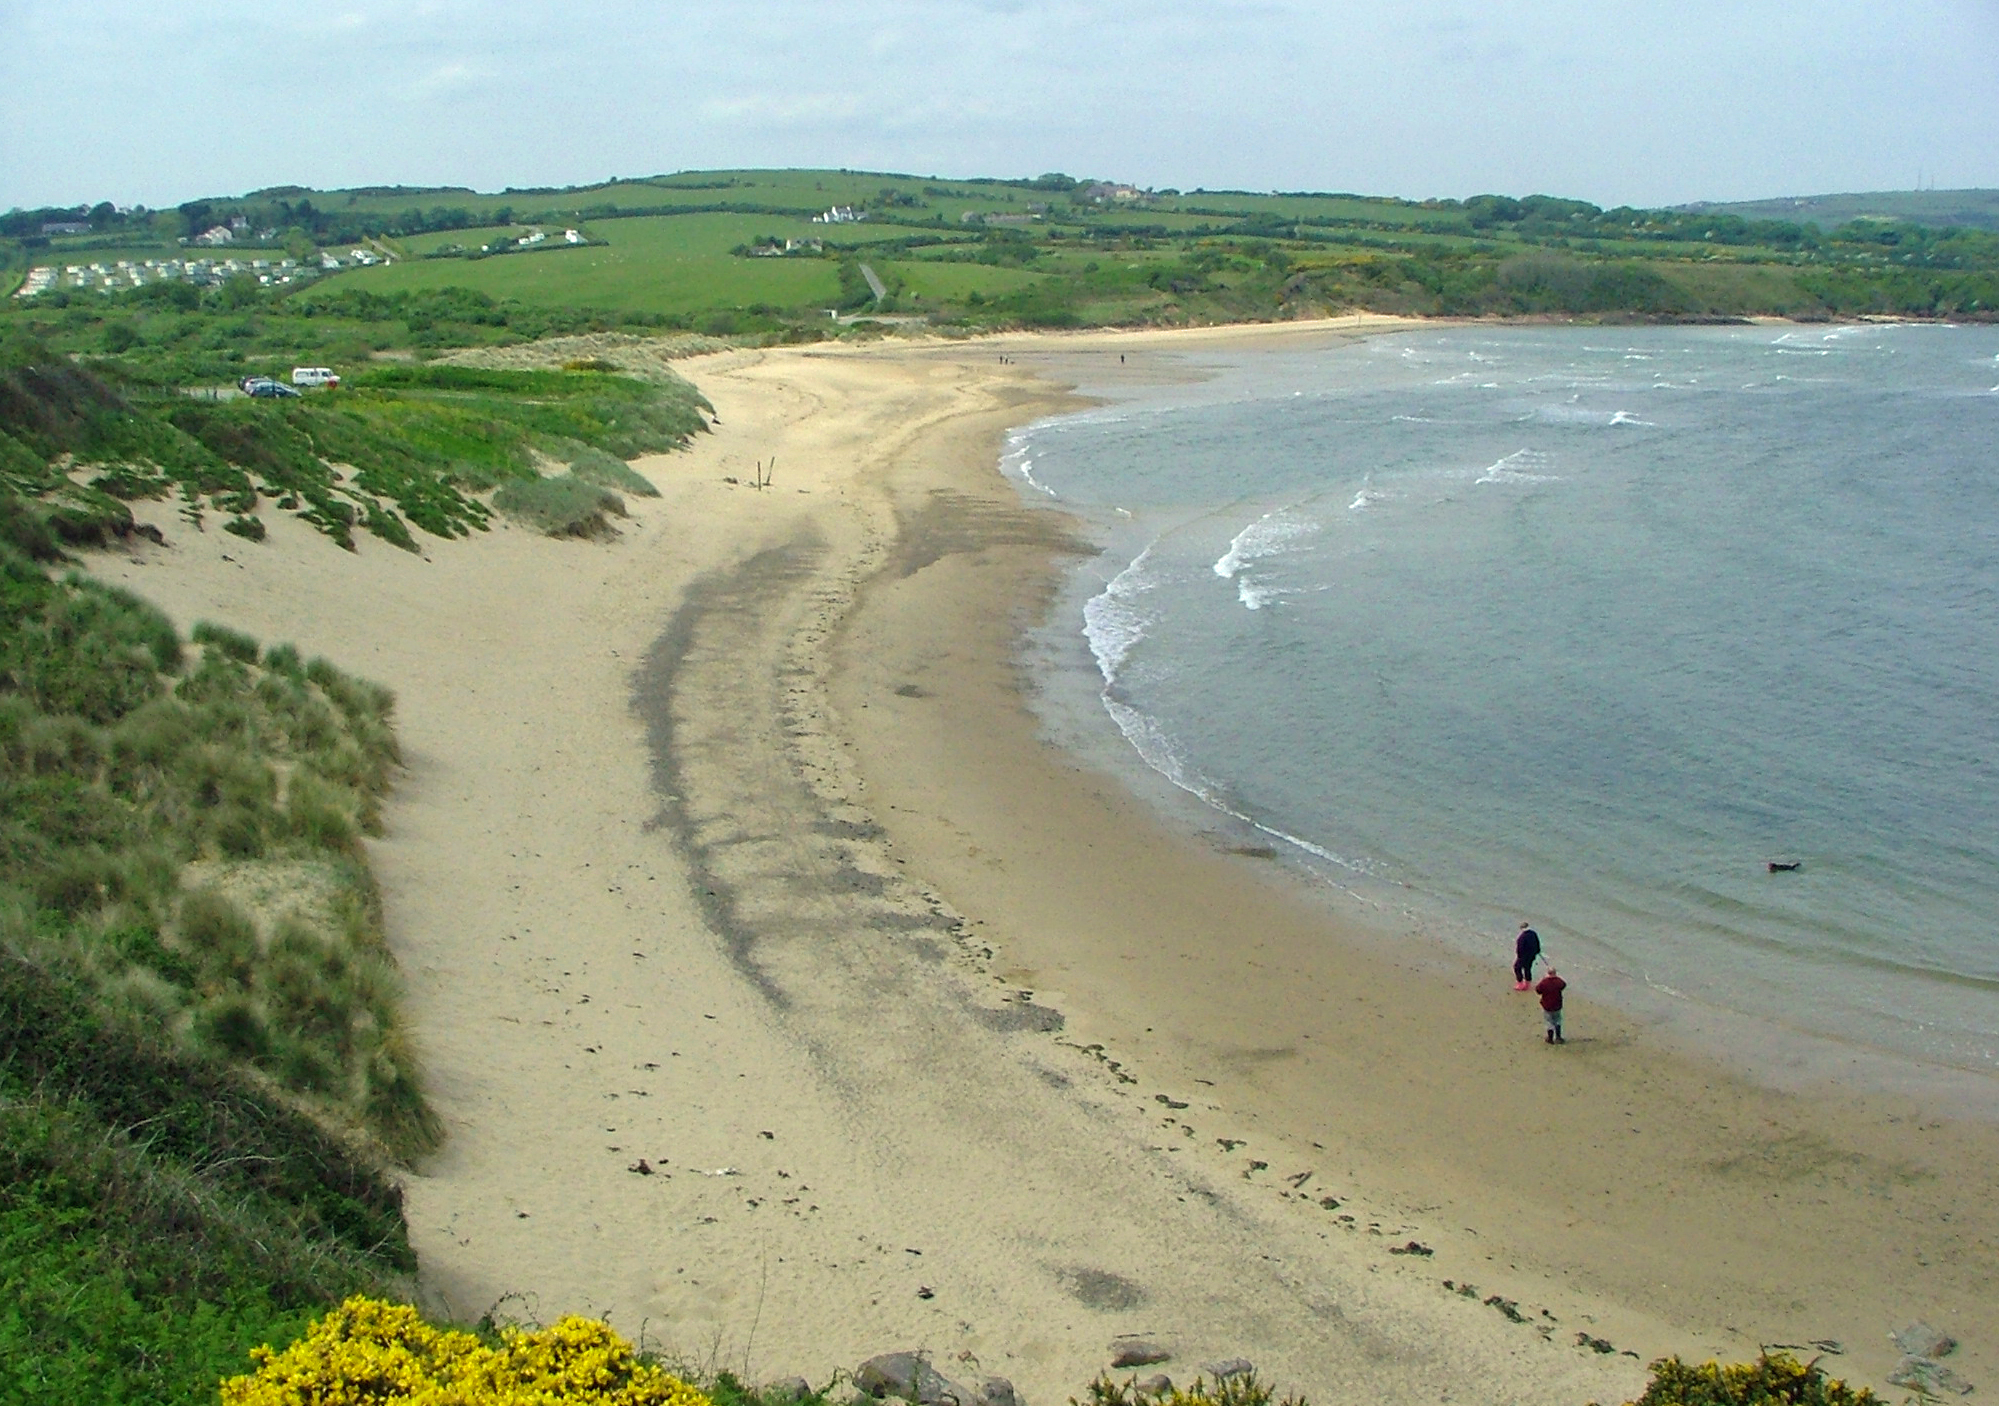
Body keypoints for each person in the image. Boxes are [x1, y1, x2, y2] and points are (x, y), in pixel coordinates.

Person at [1535, 966, 1567, 1044]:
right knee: (1557, 1020)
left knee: (1548, 1021)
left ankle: (1550, 1038)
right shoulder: (1558, 981)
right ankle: (1558, 1037)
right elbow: (1563, 985)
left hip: (1547, 1005)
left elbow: (1538, 990)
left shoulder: (1544, 982)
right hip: (1557, 1005)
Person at [1512, 922, 1541, 990]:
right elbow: (1537, 944)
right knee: (1527, 968)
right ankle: (1528, 983)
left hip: (1523, 956)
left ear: (1522, 928)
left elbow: (1520, 948)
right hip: (1531, 956)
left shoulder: (1522, 937)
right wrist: (1536, 952)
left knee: (1517, 968)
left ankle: (1520, 983)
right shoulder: (1533, 933)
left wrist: (1519, 956)